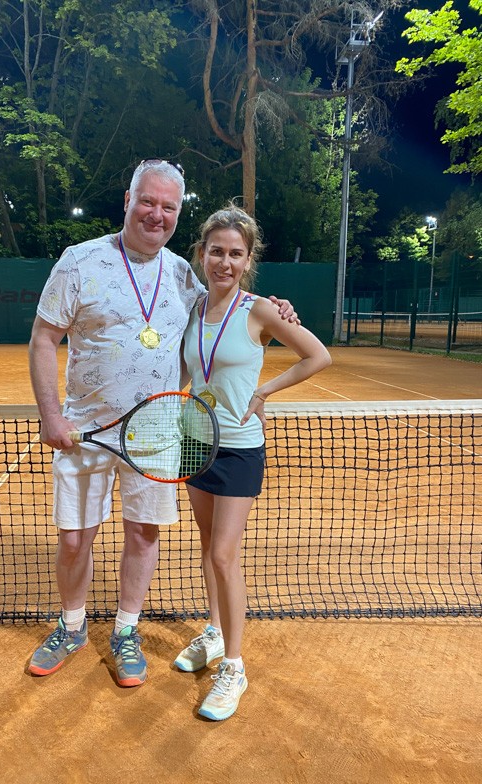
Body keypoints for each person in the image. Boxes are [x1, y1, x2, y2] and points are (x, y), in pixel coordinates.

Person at [27, 160, 298, 686]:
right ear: (128, 200)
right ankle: (72, 625)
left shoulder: (181, 274)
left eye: (168, 206)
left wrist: (275, 309)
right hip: (84, 430)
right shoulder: (79, 261)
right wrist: (51, 415)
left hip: (155, 432)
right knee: (75, 540)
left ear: (177, 214)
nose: (157, 214)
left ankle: (126, 630)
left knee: (143, 533)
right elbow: (43, 338)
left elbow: (228, 308)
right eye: (148, 201)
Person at [174, 203, 331, 720]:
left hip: (239, 447)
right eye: (216, 251)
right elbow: (187, 372)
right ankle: (214, 633)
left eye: (236, 254)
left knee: (224, 555)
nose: (225, 261)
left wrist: (264, 391)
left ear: (248, 260)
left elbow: (318, 356)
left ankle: (234, 667)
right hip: (195, 440)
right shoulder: (192, 308)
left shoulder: (261, 310)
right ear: (202, 254)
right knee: (206, 546)